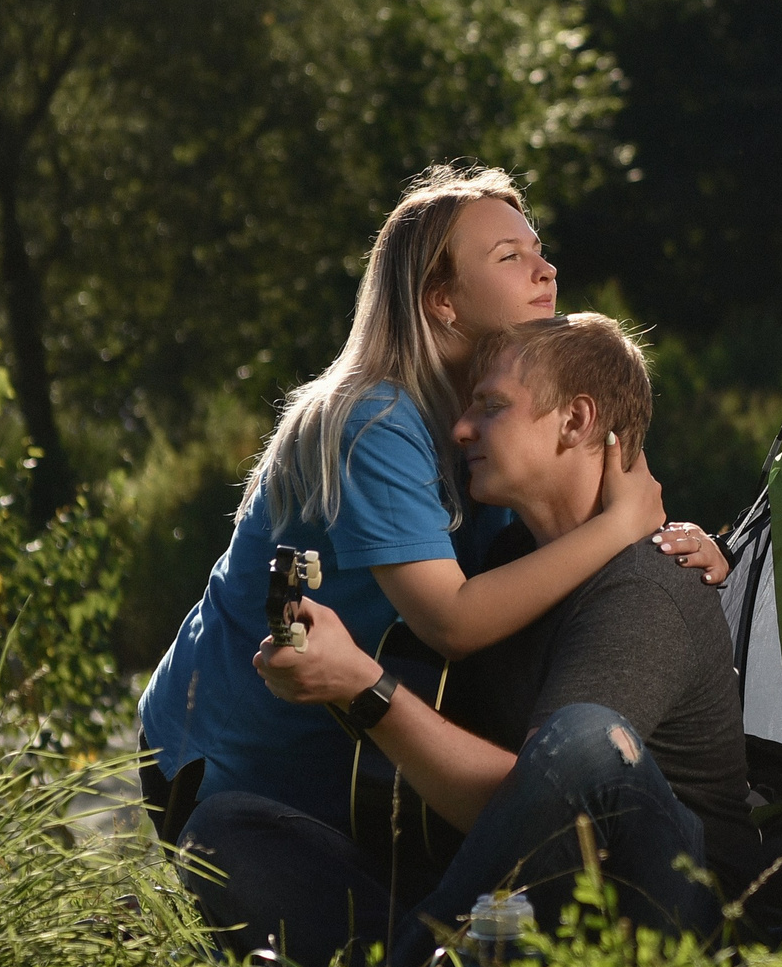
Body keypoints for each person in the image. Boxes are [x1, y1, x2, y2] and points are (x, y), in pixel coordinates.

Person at [136, 164, 727, 845]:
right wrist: (623, 526)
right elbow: (451, 620)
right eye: (511, 256)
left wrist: (676, 545)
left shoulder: (494, 424)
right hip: (232, 756)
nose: (547, 270)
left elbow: (586, 506)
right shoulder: (373, 420)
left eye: (539, 250)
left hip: (370, 758)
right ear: (441, 299)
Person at [181, 312, 753, 967]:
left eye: (492, 406)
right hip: (518, 908)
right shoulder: (509, 559)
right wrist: (330, 676)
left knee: (587, 739)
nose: (460, 429)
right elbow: (491, 802)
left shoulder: (650, 583)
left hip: (667, 911)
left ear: (575, 421)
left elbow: (555, 797)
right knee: (221, 837)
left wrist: (368, 692)